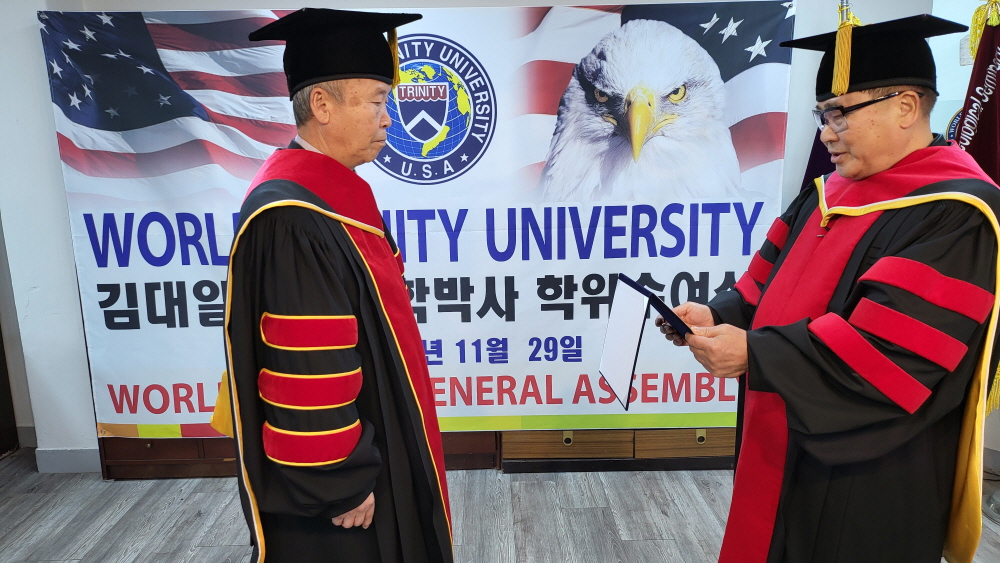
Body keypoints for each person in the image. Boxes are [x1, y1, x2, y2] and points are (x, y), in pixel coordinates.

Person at [658, 12, 1000, 563]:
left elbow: (889, 355)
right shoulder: (826, 193)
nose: (826, 132)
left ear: (905, 107)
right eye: (823, 114)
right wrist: (719, 316)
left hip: (866, 473)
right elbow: (761, 288)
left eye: (841, 112)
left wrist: (757, 355)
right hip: (783, 435)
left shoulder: (956, 213)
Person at [209, 8, 452, 563]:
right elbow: (307, 363)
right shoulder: (293, 218)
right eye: (377, 101)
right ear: (322, 105)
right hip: (338, 492)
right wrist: (338, 481)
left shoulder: (327, 196)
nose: (388, 118)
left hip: (366, 444)